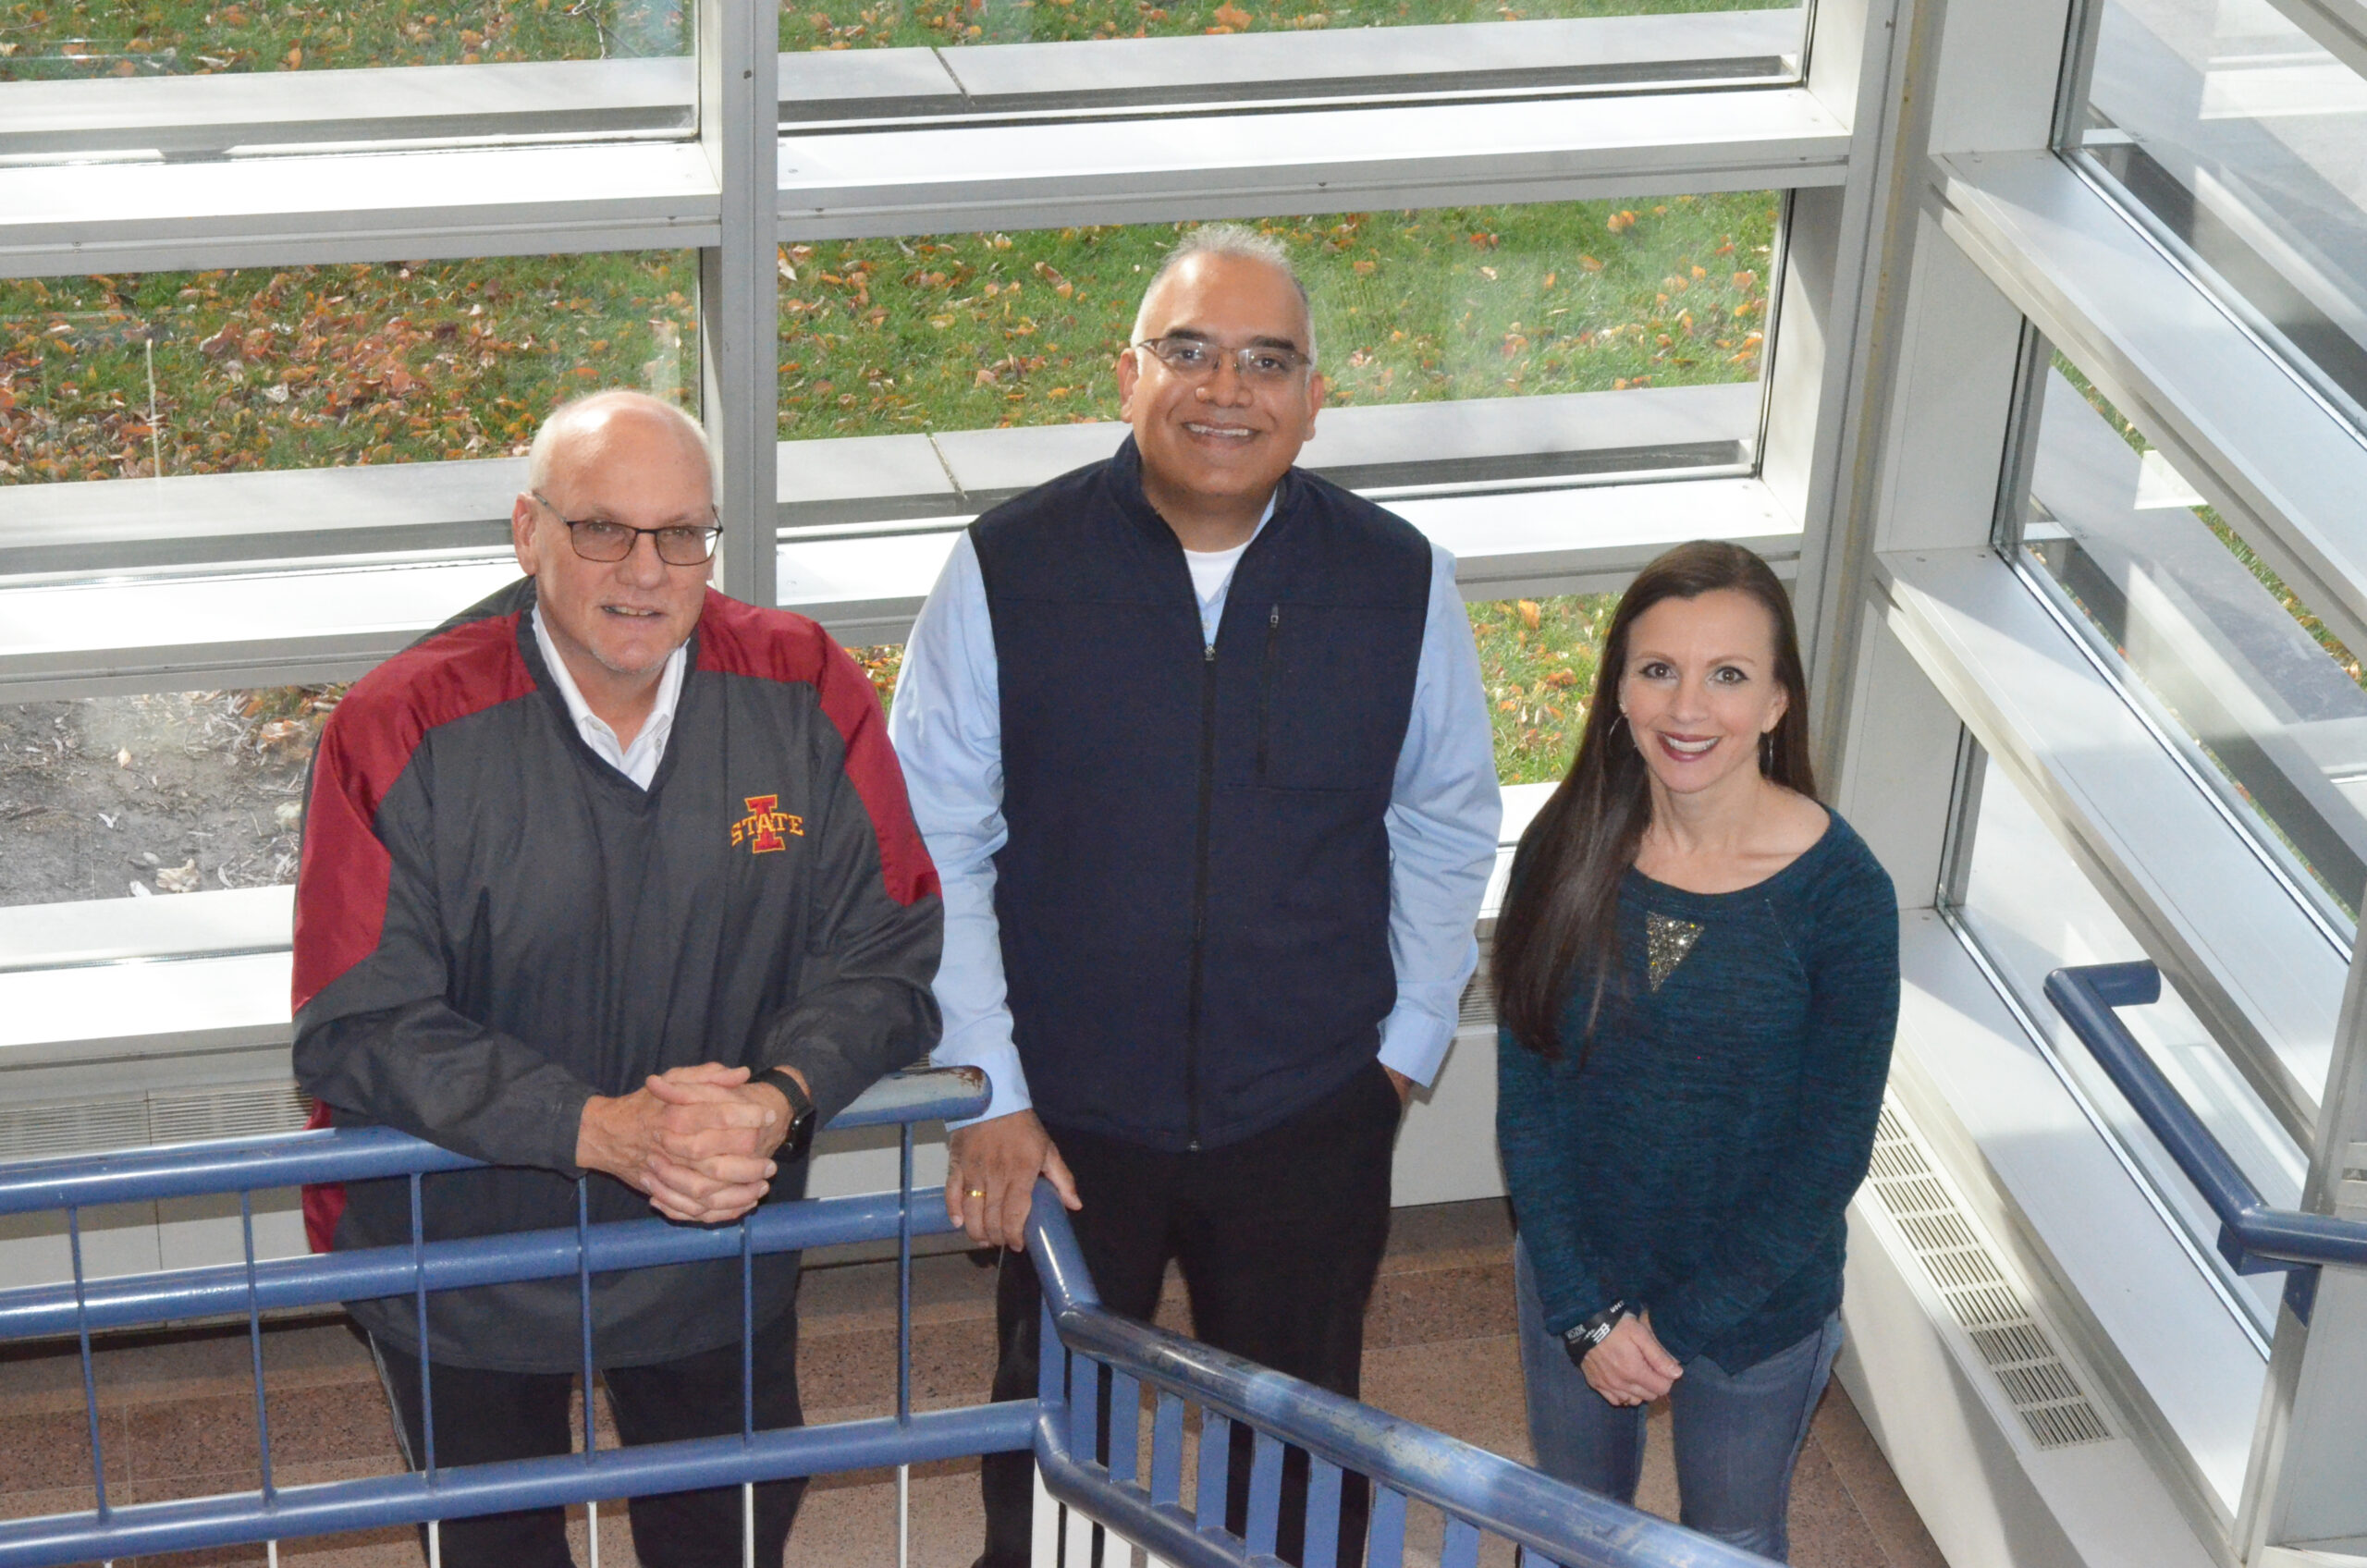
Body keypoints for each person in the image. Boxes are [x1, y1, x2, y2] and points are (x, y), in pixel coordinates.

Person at [888, 225, 1501, 1567]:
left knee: (1302, 1467)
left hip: (1308, 1111)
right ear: (1128, 374)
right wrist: (988, 1092)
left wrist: (1395, 1059)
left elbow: (1448, 819)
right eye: (1192, 352)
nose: (1229, 390)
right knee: (1053, 1459)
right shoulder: (1008, 567)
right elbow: (939, 845)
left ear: (1315, 397)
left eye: (1268, 360)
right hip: (1068, 1121)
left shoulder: (1397, 581)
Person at [290, 389, 943, 1568]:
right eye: (602, 529)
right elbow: (358, 1023)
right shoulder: (400, 725)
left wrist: (777, 1097)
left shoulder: (802, 689)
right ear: (528, 531)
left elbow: (887, 951)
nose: (645, 570)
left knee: (727, 1537)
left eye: (682, 533)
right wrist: (599, 1129)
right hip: (466, 1265)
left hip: (716, 1235)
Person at [1490, 539, 1898, 1562]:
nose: (1686, 709)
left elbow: (1829, 1151)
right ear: (1618, 689)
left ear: (1776, 704)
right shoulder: (1563, 844)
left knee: (1727, 1535)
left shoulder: (1842, 895)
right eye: (1657, 669)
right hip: (1575, 1278)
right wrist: (1584, 1312)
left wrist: (1675, 1328)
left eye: (1727, 676)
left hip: (1755, 1303)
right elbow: (1526, 1092)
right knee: (1571, 1528)